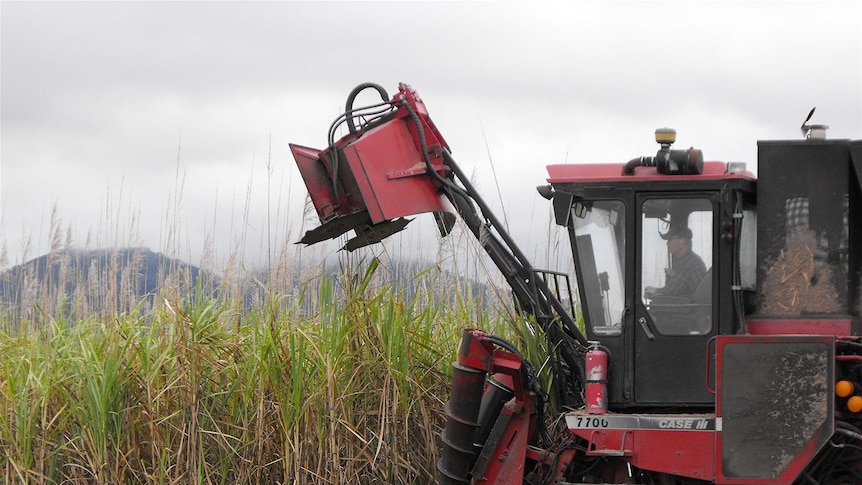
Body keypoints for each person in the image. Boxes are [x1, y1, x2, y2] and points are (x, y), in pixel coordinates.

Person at [644, 226, 706, 299]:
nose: (667, 243)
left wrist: (652, 290)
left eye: (670, 239)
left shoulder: (689, 262)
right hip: (687, 304)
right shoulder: (689, 259)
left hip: (688, 307)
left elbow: (672, 291)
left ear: (681, 240)